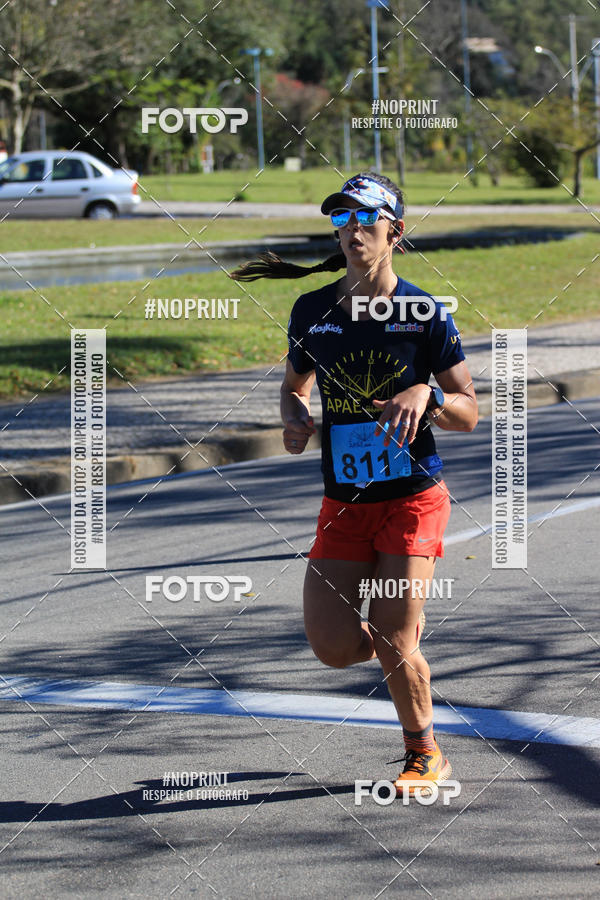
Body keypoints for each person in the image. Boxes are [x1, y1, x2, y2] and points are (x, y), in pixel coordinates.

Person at [230, 172, 478, 796]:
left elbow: (470, 410)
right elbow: (293, 386)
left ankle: (423, 752)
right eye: (341, 220)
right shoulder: (312, 311)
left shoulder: (423, 312)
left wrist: (428, 393)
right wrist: (294, 417)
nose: (351, 231)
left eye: (365, 219)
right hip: (344, 501)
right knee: (334, 646)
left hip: (413, 497)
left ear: (396, 230)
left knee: (395, 637)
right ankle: (403, 647)